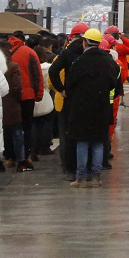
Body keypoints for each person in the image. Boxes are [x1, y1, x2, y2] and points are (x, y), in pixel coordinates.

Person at [65, 29, 121, 189]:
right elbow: (114, 82)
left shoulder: (79, 61)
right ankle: (96, 178)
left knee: (82, 142)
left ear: (85, 43)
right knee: (98, 142)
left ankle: (81, 178)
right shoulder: (108, 61)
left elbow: (70, 83)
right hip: (101, 107)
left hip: (81, 108)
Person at [49, 22, 89, 180]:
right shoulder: (93, 54)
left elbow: (53, 72)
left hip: (67, 100)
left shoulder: (65, 54)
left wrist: (61, 89)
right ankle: (85, 168)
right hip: (87, 100)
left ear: (71, 37)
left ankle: (69, 168)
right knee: (85, 136)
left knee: (66, 135)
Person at [9, 34, 44, 164]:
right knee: (27, 127)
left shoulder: (6, 52)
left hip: (10, 96)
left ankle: (10, 156)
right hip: (27, 95)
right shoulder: (30, 52)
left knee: (10, 127)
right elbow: (37, 74)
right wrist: (39, 94)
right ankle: (27, 155)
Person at [0, 41, 27, 172]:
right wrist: (17, 100)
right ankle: (21, 160)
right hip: (12, 105)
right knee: (17, 133)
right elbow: (17, 86)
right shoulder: (13, 66)